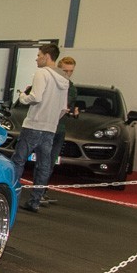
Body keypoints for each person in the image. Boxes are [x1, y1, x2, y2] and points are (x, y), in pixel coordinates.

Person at [10, 43, 70, 212]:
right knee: (44, 165)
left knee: (19, 160)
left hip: (33, 125)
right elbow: (63, 108)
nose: (36, 59)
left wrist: (23, 96)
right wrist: (52, 120)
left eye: (38, 55)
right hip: (50, 128)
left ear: (47, 56)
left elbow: (36, 97)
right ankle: (35, 201)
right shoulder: (65, 80)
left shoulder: (42, 73)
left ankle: (11, 196)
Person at [40, 56, 79, 206]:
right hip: (44, 127)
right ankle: (37, 193)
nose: (68, 74)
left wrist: (72, 111)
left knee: (49, 162)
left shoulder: (71, 88)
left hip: (58, 129)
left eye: (71, 71)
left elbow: (66, 106)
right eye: (65, 70)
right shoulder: (51, 82)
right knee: (42, 162)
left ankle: (41, 192)